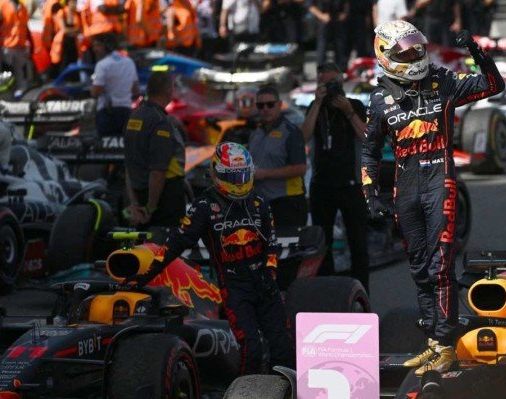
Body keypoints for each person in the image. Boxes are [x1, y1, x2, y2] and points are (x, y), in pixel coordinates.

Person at [362, 21, 504, 375]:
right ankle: (432, 340)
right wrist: (370, 193)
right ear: (385, 56)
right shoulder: (379, 100)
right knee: (418, 269)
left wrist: (477, 52)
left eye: (416, 48)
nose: (414, 56)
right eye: (404, 52)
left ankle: (445, 343)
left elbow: (492, 84)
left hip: (440, 183)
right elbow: (369, 152)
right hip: (405, 189)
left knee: (440, 268)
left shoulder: (444, 82)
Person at [126, 142, 295, 375]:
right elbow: (176, 244)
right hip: (234, 287)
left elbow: (272, 245)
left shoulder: (259, 202)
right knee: (252, 349)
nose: (239, 182)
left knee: (283, 349)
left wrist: (271, 274)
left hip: (265, 283)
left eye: (243, 176)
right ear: (218, 174)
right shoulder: (204, 207)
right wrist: (144, 276)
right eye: (233, 177)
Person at [301, 62, 370, 291]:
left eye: (334, 83)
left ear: (341, 83)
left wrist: (348, 111)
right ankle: (328, 294)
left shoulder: (356, 106)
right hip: (322, 185)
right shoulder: (314, 107)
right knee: (323, 245)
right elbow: (303, 137)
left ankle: (362, 294)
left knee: (358, 244)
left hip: (352, 185)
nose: (330, 88)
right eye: (325, 83)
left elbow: (367, 137)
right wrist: (318, 101)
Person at [123, 72, 186, 228]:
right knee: (166, 248)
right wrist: (151, 208)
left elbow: (129, 165)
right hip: (163, 199)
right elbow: (158, 172)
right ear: (168, 90)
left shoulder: (134, 117)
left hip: (140, 198)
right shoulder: (160, 122)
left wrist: (134, 203)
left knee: (142, 246)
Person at [247, 85, 307, 228]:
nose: (265, 109)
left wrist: (264, 174)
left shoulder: (291, 132)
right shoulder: (255, 133)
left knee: (286, 248)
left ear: (279, 105)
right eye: (261, 105)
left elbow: (300, 168)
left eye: (270, 104)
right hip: (260, 203)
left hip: (287, 202)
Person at [90, 32, 139, 136]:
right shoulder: (129, 62)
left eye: (97, 45)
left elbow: (95, 93)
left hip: (107, 115)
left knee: (106, 150)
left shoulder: (102, 65)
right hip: (126, 112)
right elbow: (136, 90)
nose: (94, 49)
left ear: (107, 46)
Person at [0, 0, 33, 96]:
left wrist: (30, 42)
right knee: (6, 76)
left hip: (20, 47)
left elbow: (25, 27)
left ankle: (21, 98)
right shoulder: (1, 4)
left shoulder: (22, 7)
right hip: (6, 47)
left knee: (21, 76)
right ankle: (5, 97)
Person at [309, 0, 349, 71]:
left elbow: (346, 3)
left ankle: (340, 70)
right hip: (324, 20)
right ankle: (321, 70)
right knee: (322, 47)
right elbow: (311, 6)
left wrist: (344, 13)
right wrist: (321, 16)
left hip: (337, 19)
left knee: (340, 46)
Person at [50, 0, 82, 70]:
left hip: (73, 42)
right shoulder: (62, 12)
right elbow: (64, 30)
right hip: (63, 42)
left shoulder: (77, 14)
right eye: (73, 2)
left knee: (73, 60)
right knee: (63, 61)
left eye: (75, 2)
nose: (75, 4)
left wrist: (75, 30)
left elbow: (80, 29)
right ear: (68, 3)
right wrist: (75, 30)